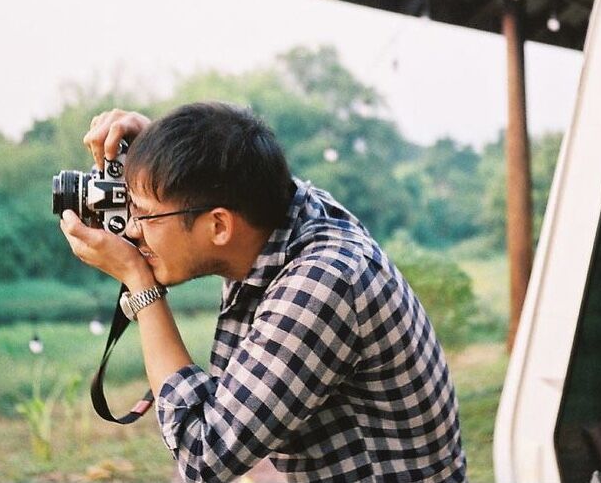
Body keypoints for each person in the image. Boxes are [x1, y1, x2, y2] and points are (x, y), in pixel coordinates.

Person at [59, 102, 467, 483]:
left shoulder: (322, 284)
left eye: (145, 214)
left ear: (219, 226)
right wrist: (160, 154)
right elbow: (226, 180)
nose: (132, 229)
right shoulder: (286, 212)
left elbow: (202, 456)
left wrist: (140, 283)